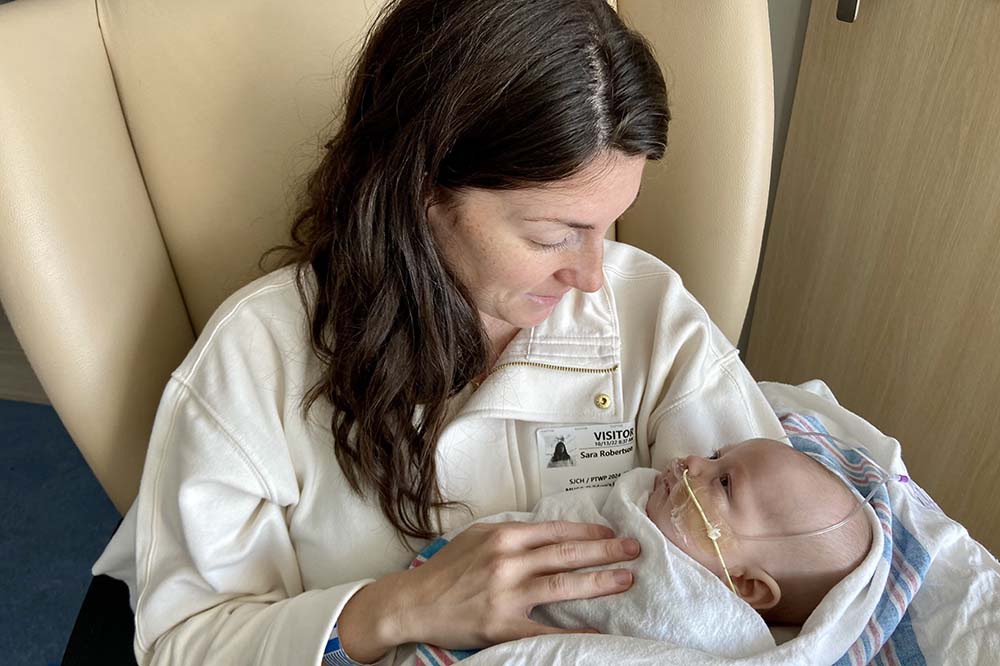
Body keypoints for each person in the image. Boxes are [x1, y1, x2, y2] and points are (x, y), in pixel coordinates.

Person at [90, 0, 788, 664]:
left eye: (607, 226)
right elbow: (183, 644)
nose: (591, 274)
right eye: (553, 235)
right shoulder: (256, 358)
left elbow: (781, 581)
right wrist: (391, 610)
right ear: (422, 190)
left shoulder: (652, 315)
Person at [406, 437, 874, 663]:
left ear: (748, 585)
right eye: (716, 455)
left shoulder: (713, 634)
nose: (694, 461)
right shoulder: (619, 516)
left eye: (724, 481)